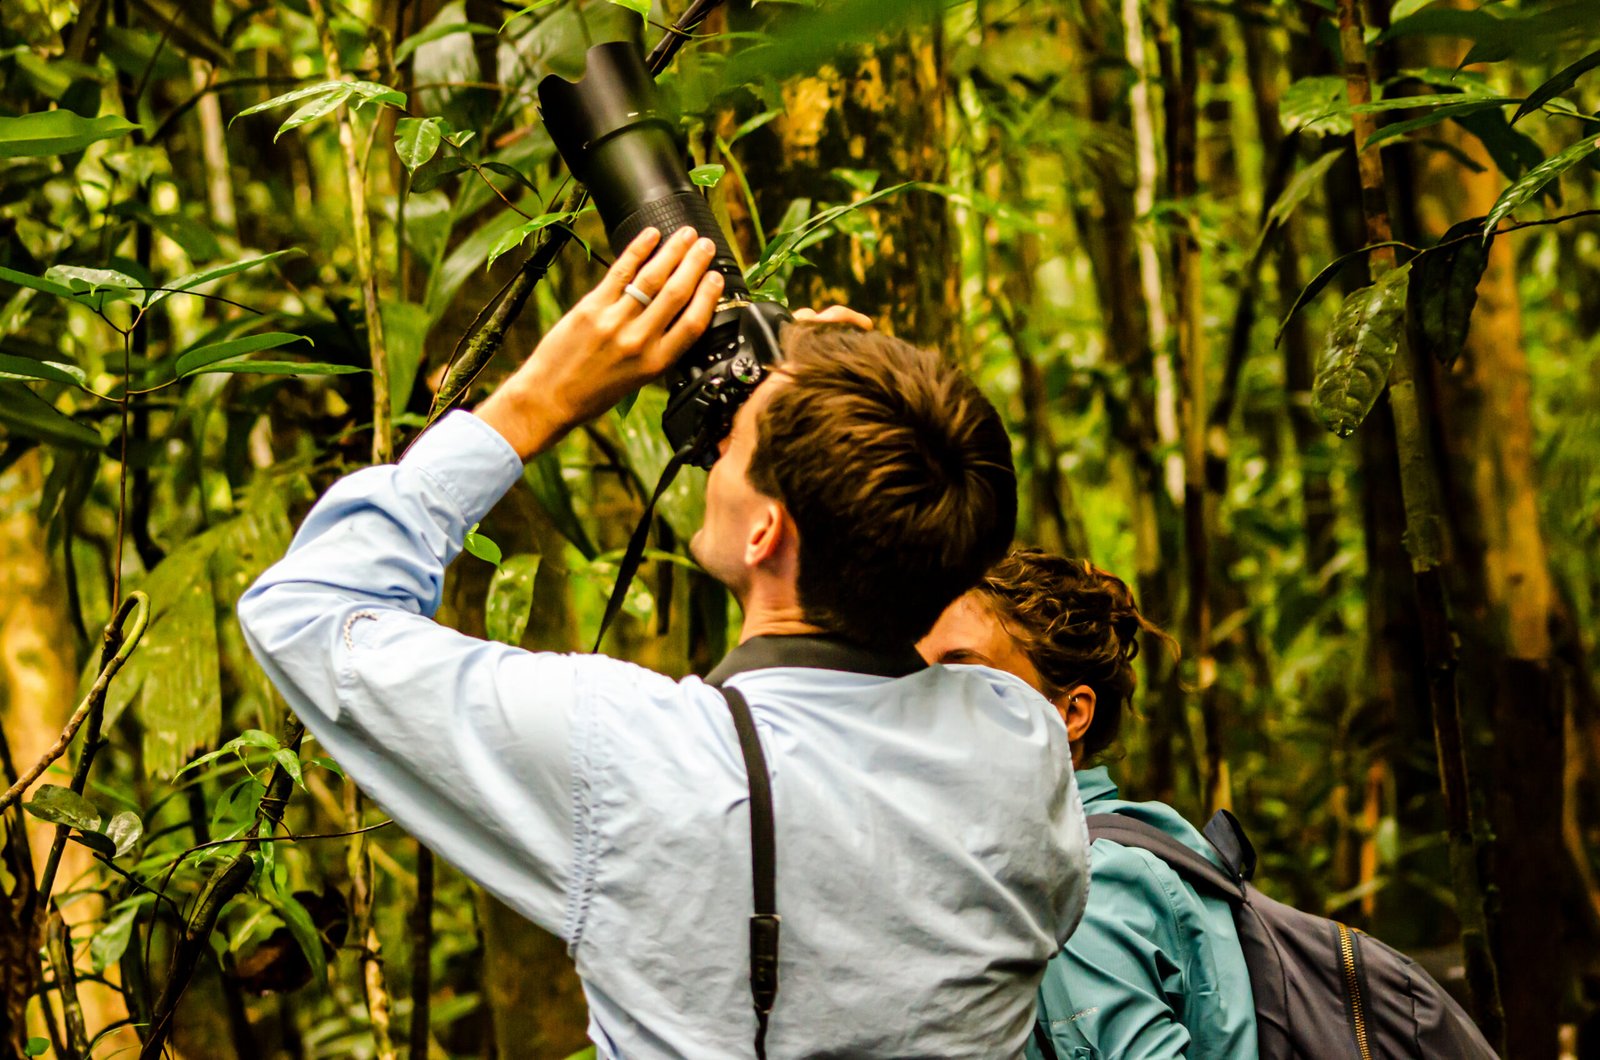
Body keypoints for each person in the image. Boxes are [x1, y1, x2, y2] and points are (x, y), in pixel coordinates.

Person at [238, 226, 1090, 1058]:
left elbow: (305, 609)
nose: (715, 445)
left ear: (765, 532)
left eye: (735, 444)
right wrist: (860, 400)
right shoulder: (1023, 743)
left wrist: (539, 398)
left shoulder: (633, 757)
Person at [918, 548, 1257, 1059]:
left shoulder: (1081, 889)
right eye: (918, 674)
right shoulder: (1127, 843)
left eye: (962, 670)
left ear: (1070, 712)